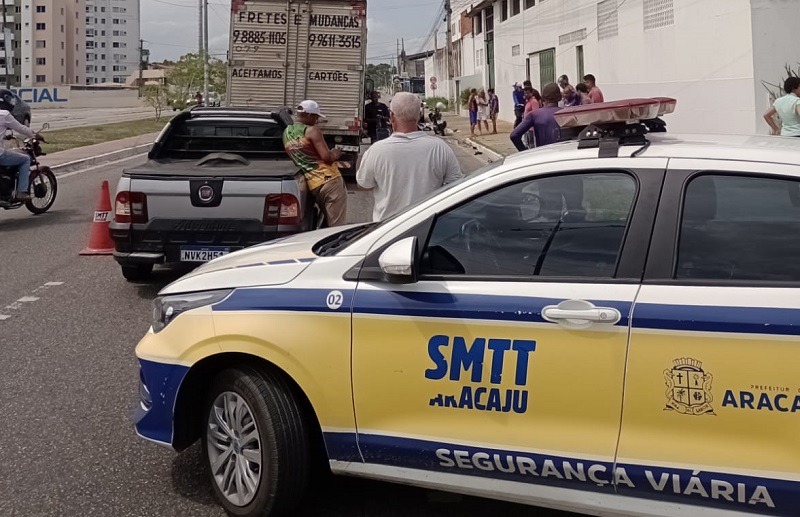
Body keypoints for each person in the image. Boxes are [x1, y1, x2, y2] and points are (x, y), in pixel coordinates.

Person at [357, 92, 463, 221]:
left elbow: (363, 184)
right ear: (418, 115)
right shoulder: (440, 148)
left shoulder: (376, 151)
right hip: (427, 229)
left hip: (387, 232)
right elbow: (456, 186)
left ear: (391, 116)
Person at [283, 99, 347, 227]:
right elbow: (327, 157)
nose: (316, 120)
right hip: (330, 181)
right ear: (308, 115)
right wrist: (336, 153)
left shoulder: (286, 133)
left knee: (324, 223)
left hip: (313, 184)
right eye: (316, 116)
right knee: (336, 227)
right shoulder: (312, 130)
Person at [0, 92, 40, 200]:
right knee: (25, 159)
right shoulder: (4, 115)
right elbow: (21, 128)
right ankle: (21, 192)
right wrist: (35, 134)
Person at [510, 83, 562, 152]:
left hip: (542, 157)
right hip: (563, 157)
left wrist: (524, 152)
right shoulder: (566, 114)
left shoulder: (534, 115)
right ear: (560, 97)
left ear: (542, 98)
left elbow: (514, 135)